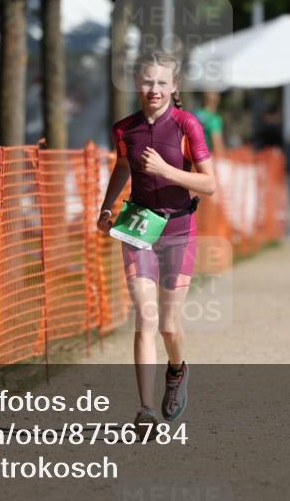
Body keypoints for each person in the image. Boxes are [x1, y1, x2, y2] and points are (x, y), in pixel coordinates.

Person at [96, 52, 217, 426]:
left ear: (174, 86)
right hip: (138, 228)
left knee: (168, 324)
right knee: (145, 317)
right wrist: (105, 207)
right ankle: (145, 409)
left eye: (162, 83)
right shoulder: (124, 129)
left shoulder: (187, 125)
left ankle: (177, 370)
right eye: (148, 81)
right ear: (136, 83)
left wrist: (167, 170)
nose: (155, 89)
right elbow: (123, 165)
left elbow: (210, 184)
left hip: (179, 229)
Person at [194, 91, 226, 156]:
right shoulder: (214, 119)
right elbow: (218, 147)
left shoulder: (194, 114)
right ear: (217, 100)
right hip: (206, 159)